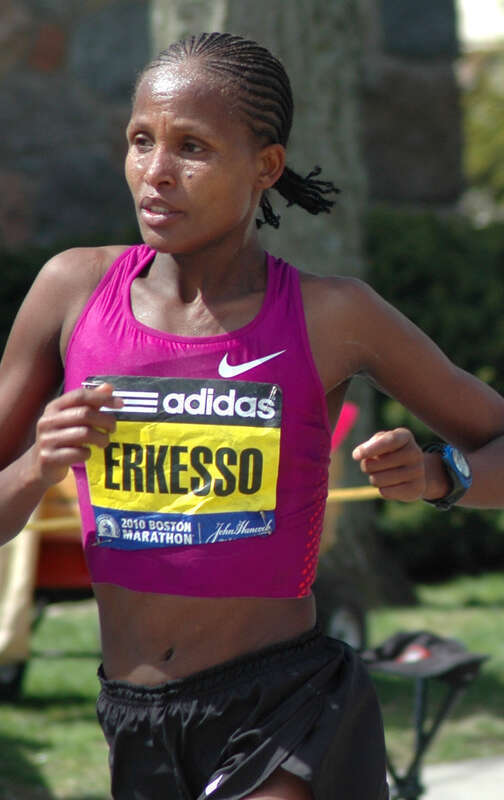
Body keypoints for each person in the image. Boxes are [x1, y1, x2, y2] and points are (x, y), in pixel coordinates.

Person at [0, 32, 503, 800]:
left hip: (284, 708)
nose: (155, 173)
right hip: (134, 717)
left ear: (265, 167)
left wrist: (441, 475)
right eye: (141, 141)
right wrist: (39, 464)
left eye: (191, 147)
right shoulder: (71, 290)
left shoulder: (333, 314)